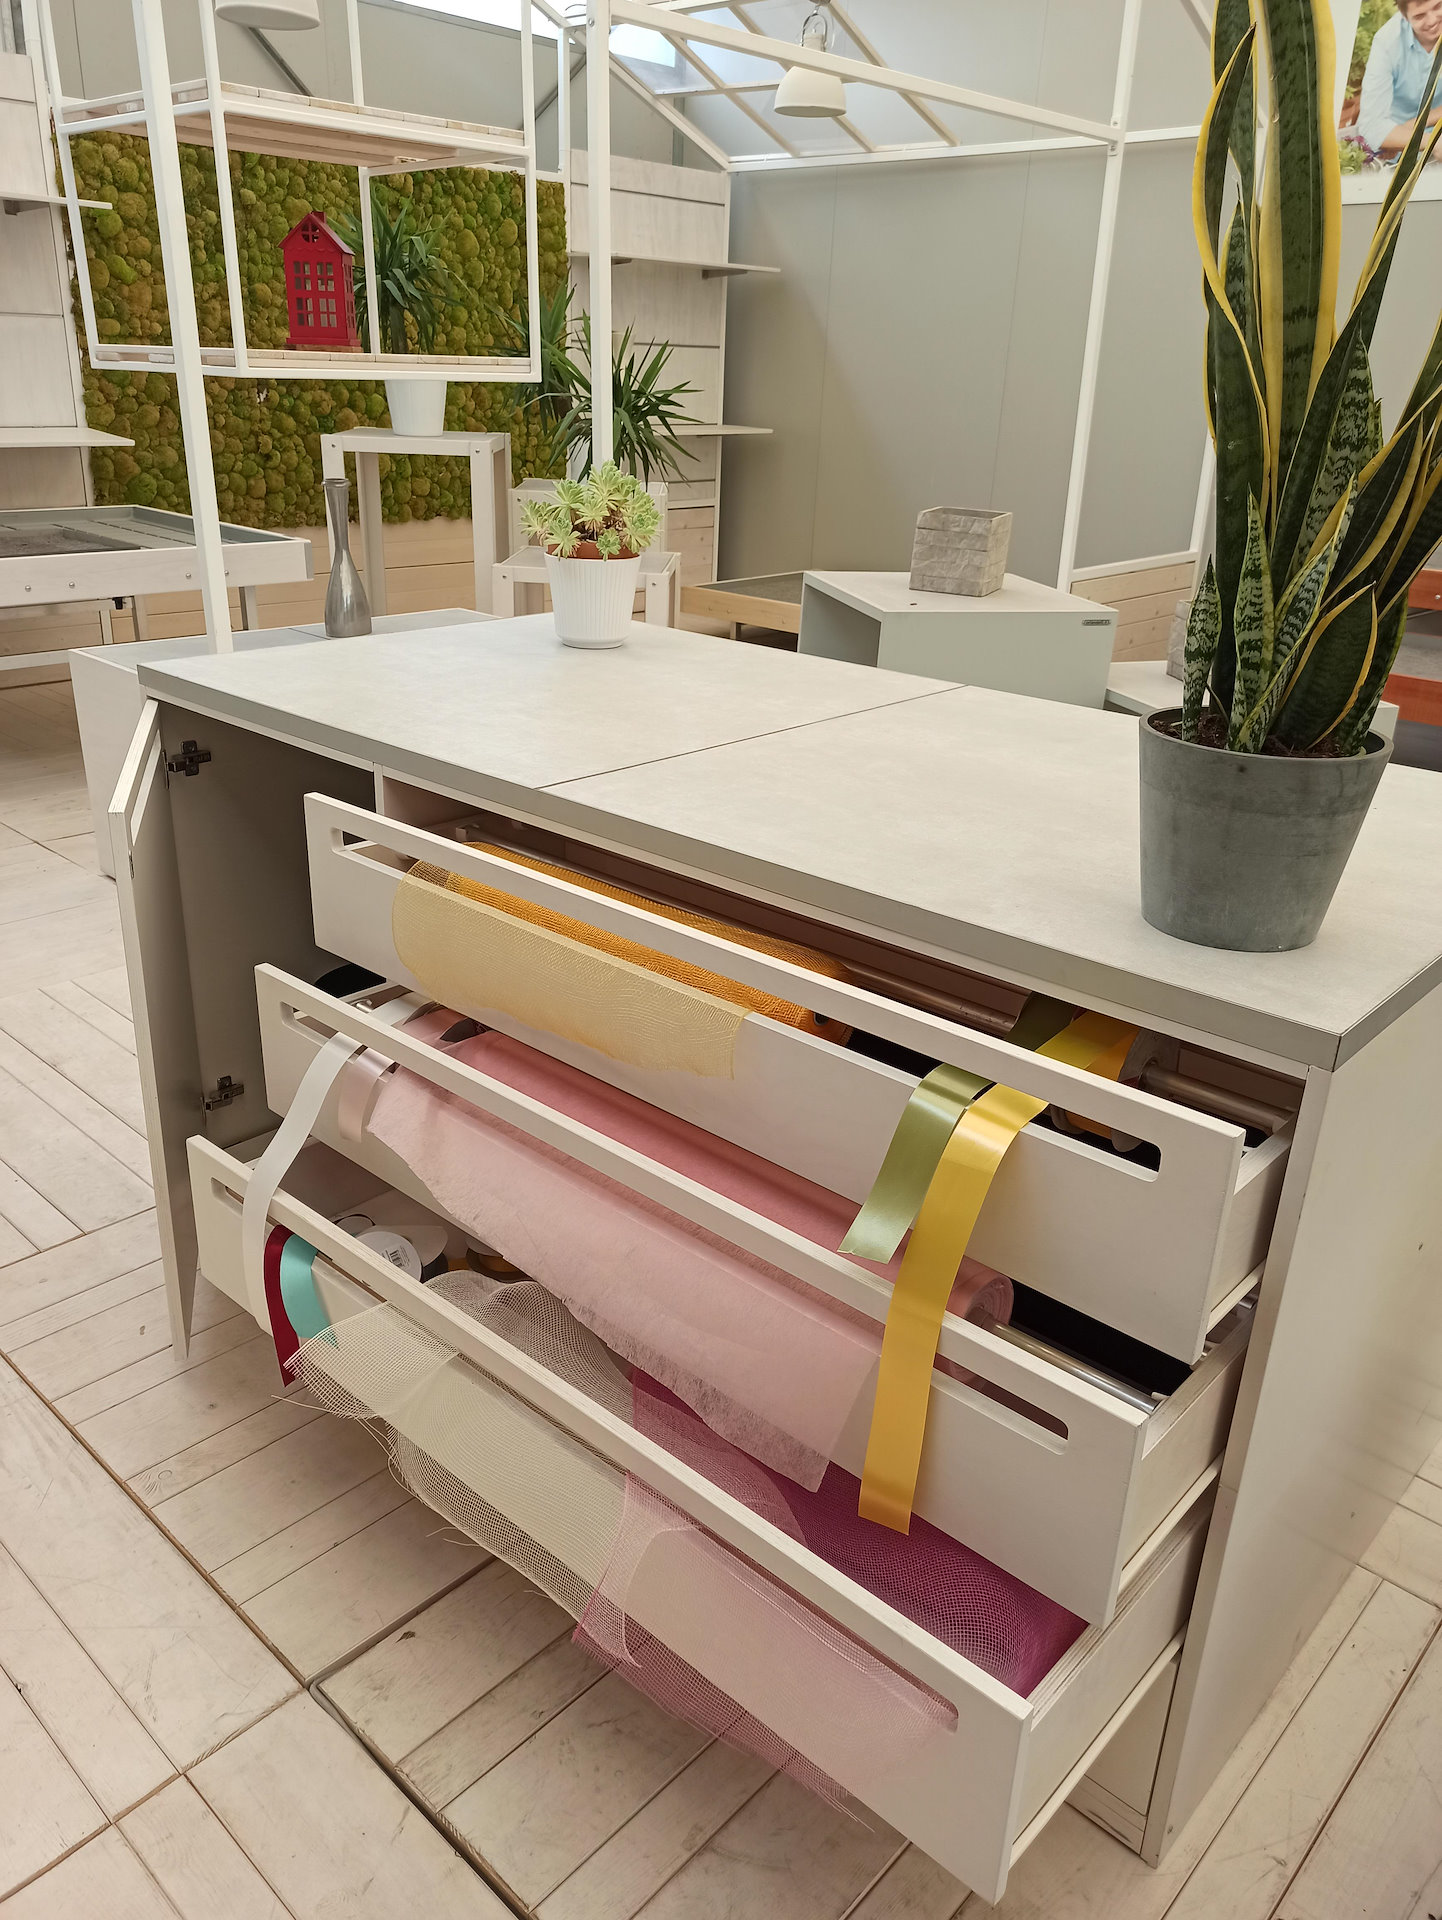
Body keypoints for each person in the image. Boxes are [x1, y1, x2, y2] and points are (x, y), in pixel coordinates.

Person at [1356, 0, 1442, 157]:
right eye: (1420, 16)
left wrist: (1421, 121)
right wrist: (1432, 142)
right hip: (1399, 144)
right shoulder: (1387, 42)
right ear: (1404, 16)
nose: (1432, 20)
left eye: (1438, 6)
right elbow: (1371, 126)